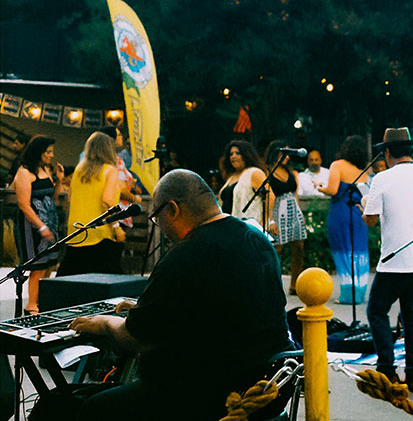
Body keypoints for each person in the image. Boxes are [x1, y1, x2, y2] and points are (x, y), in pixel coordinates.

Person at [69, 169, 293, 421]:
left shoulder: (185, 255)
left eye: (157, 217)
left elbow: (136, 337)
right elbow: (221, 305)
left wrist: (105, 323)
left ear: (173, 209)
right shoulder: (256, 239)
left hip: (206, 393)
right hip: (266, 381)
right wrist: (149, 307)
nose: (161, 228)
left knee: (91, 409)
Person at [364, 128, 413, 393]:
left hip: (395, 261)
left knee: (376, 310)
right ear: (410, 151)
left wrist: (363, 206)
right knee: (412, 316)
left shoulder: (381, 179)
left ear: (387, 153)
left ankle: (386, 369)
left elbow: (371, 219)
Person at [57, 132, 125, 276]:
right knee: (106, 279)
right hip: (99, 231)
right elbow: (107, 199)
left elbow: (70, 198)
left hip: (76, 230)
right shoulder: (110, 170)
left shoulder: (78, 170)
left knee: (73, 278)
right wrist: (117, 227)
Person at [12, 135, 64, 314]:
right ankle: (31, 305)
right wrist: (41, 227)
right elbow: (23, 204)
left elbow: (54, 196)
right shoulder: (24, 172)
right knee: (38, 265)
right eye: (48, 152)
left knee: (49, 263)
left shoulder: (45, 170)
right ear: (39, 152)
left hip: (49, 218)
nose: (51, 155)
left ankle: (40, 300)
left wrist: (59, 179)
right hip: (32, 225)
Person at [319, 135, 370, 304]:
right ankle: (360, 292)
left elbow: (333, 190)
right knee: (359, 250)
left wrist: (320, 188)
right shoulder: (364, 170)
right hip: (358, 213)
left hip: (341, 212)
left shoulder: (337, 165)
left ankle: (348, 294)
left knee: (343, 250)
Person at [264, 140, 307, 294]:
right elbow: (268, 197)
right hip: (277, 210)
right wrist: (270, 220)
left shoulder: (291, 172)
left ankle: (295, 285)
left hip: (293, 209)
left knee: (298, 247)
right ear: (275, 153)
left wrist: (299, 212)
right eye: (284, 153)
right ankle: (273, 284)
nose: (287, 157)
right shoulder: (267, 171)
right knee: (277, 248)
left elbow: (295, 194)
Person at [217, 140, 270, 227]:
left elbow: (270, 196)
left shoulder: (254, 173)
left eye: (237, 153)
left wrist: (265, 221)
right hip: (228, 226)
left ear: (246, 155)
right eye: (231, 154)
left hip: (248, 227)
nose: (233, 156)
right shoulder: (231, 177)